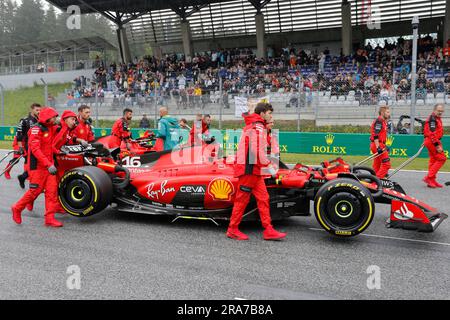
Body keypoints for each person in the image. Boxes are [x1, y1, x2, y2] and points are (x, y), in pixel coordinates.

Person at [227, 103, 287, 241]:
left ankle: (268, 229)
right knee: (242, 200)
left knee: (263, 198)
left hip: (254, 169)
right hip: (249, 168)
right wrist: (269, 165)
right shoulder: (257, 126)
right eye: (269, 113)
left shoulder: (257, 125)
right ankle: (232, 229)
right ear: (262, 114)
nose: (271, 116)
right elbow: (256, 150)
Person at [11, 107, 63, 228]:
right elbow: (35, 150)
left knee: (52, 192)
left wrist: (68, 120)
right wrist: (48, 164)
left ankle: (49, 218)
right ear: (47, 118)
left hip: (49, 166)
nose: (56, 119)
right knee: (35, 191)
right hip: (38, 167)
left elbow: (63, 130)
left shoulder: (51, 127)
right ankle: (17, 208)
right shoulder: (36, 129)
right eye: (54, 117)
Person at [16, 103, 41, 189]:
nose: (39, 111)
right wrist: (20, 147)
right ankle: (30, 181)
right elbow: (19, 134)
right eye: (37, 110)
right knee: (33, 165)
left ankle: (23, 177)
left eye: (40, 110)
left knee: (38, 165)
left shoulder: (40, 119)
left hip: (39, 145)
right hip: (29, 146)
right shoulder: (25, 120)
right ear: (32, 110)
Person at [423, 104, 446, 188]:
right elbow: (432, 133)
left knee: (433, 160)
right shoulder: (432, 119)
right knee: (442, 158)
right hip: (433, 141)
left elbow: (425, 129)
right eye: (438, 111)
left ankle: (432, 180)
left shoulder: (437, 118)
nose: (440, 112)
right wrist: (437, 145)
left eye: (441, 111)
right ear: (434, 110)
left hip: (432, 140)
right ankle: (429, 177)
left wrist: (425, 139)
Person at [370, 106, 391, 179]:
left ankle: (373, 180)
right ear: (382, 113)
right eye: (387, 112)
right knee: (386, 164)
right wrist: (378, 147)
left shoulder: (383, 121)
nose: (389, 114)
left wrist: (384, 146)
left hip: (379, 144)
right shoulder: (379, 121)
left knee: (377, 165)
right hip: (378, 145)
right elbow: (375, 135)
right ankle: (377, 180)